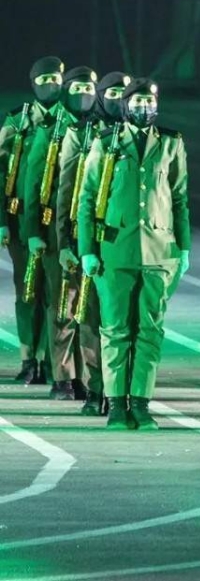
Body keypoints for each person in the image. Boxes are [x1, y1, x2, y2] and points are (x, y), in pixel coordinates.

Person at [78, 78, 191, 430]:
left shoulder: (171, 143)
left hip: (159, 252)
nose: (144, 108)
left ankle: (141, 403)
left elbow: (179, 198)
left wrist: (184, 247)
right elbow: (86, 199)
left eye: (149, 102)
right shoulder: (106, 143)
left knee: (150, 329)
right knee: (115, 329)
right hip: (115, 250)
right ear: (126, 106)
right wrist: (87, 250)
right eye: (137, 102)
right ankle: (116, 403)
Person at [21, 65, 101, 401]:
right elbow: (34, 185)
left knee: (90, 309)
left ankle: (88, 377)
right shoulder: (51, 131)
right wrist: (33, 232)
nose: (83, 95)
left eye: (89, 89)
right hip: (58, 231)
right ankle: (63, 376)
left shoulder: (102, 130)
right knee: (63, 306)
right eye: (77, 89)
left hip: (93, 232)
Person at [2, 56, 63, 387]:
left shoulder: (70, 122)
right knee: (27, 292)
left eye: (55, 79)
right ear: (33, 83)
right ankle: (28, 359)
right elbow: (1, 174)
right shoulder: (18, 122)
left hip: (56, 224)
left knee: (55, 294)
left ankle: (51, 361)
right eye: (44, 80)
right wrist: (1, 221)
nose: (50, 85)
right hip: (21, 222)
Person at [53, 67, 107, 414]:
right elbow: (66, 191)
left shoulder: (117, 134)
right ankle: (68, 377)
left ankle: (109, 387)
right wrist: (63, 242)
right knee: (70, 311)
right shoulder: (77, 135)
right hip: (77, 235)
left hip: (115, 241)